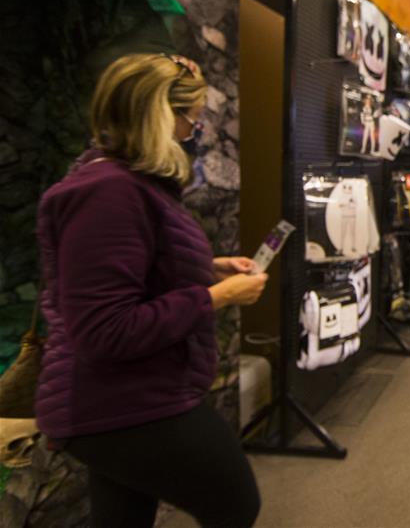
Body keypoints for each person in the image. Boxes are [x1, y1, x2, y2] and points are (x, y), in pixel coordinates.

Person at [35, 53, 266, 528]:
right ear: (163, 116)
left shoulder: (128, 183)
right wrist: (217, 297)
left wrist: (210, 268)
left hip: (123, 401)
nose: (196, 131)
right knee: (234, 501)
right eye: (193, 119)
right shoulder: (108, 193)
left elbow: (136, 271)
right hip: (121, 403)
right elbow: (104, 329)